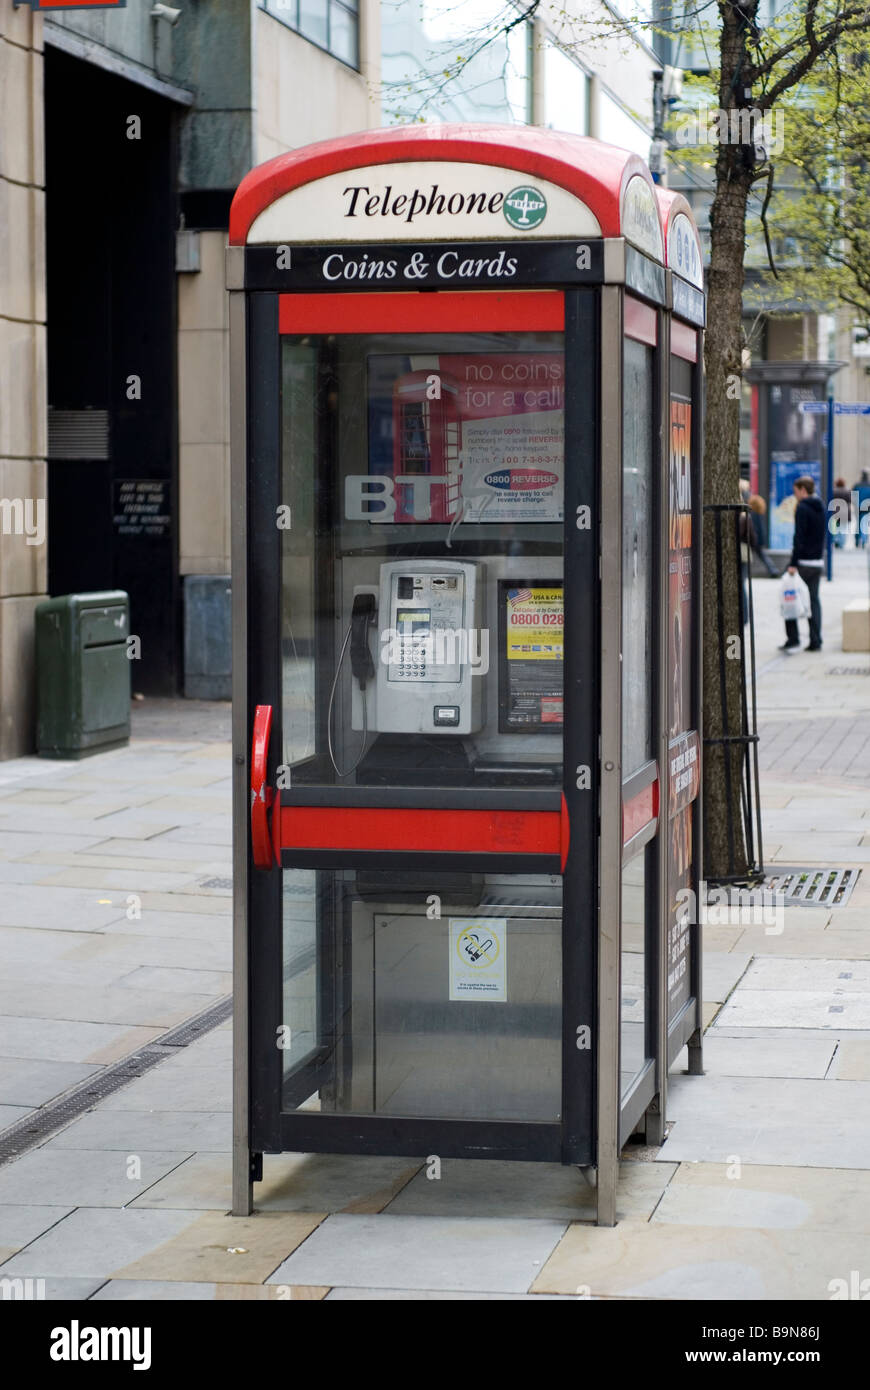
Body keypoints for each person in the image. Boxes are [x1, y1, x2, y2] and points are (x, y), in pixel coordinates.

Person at [781, 475, 825, 652]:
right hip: (817, 562)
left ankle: (793, 638)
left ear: (803, 490)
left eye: (796, 491)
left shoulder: (802, 509)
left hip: (803, 562)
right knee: (813, 601)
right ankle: (816, 640)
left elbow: (798, 538)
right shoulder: (821, 506)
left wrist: (793, 563)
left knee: (789, 595)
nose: (795, 495)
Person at [832, 476, 851, 548]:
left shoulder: (833, 490)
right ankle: (842, 543)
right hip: (845, 512)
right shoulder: (847, 491)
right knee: (843, 528)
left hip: (836, 511)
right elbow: (850, 500)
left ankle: (836, 540)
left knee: (836, 527)